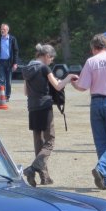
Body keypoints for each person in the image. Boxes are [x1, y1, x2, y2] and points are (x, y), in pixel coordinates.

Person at [71, 33, 106, 190]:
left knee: (101, 141)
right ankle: (103, 169)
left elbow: (83, 86)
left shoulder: (91, 62)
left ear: (93, 48)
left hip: (96, 102)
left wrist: (73, 83)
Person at [21, 43, 77, 187]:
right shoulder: (44, 68)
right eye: (51, 58)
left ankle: (44, 177)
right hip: (44, 107)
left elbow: (25, 92)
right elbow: (58, 86)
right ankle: (32, 169)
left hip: (32, 107)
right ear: (46, 56)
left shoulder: (27, 69)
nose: (52, 60)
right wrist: (69, 77)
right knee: (50, 140)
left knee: (38, 142)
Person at [0, 24, 20, 101]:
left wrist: (15, 63)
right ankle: (2, 96)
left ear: (7, 30)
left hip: (9, 62)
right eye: (1, 29)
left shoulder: (12, 39)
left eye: (4, 29)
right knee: (1, 80)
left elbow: (16, 51)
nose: (2, 31)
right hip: (1, 62)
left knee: (8, 81)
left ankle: (7, 96)